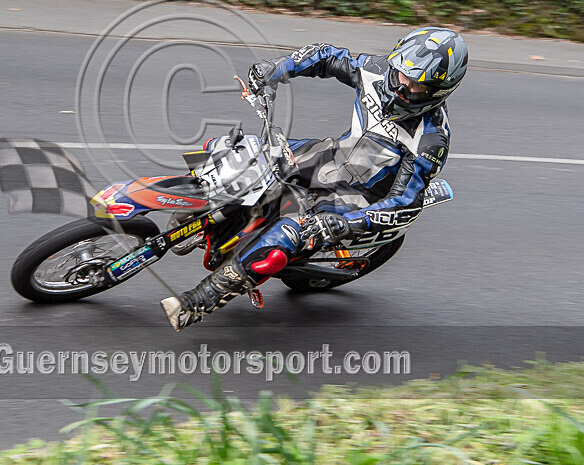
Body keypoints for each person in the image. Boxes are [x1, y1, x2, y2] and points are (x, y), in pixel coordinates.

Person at [161, 27, 468, 331]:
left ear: (439, 91)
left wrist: (347, 223)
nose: (402, 85)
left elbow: (405, 203)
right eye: (401, 73)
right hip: (330, 155)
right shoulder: (375, 70)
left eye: (416, 86)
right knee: (234, 149)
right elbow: (325, 56)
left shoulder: (431, 140)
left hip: (358, 196)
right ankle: (201, 212)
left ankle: (199, 301)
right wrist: (275, 69)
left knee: (288, 234)